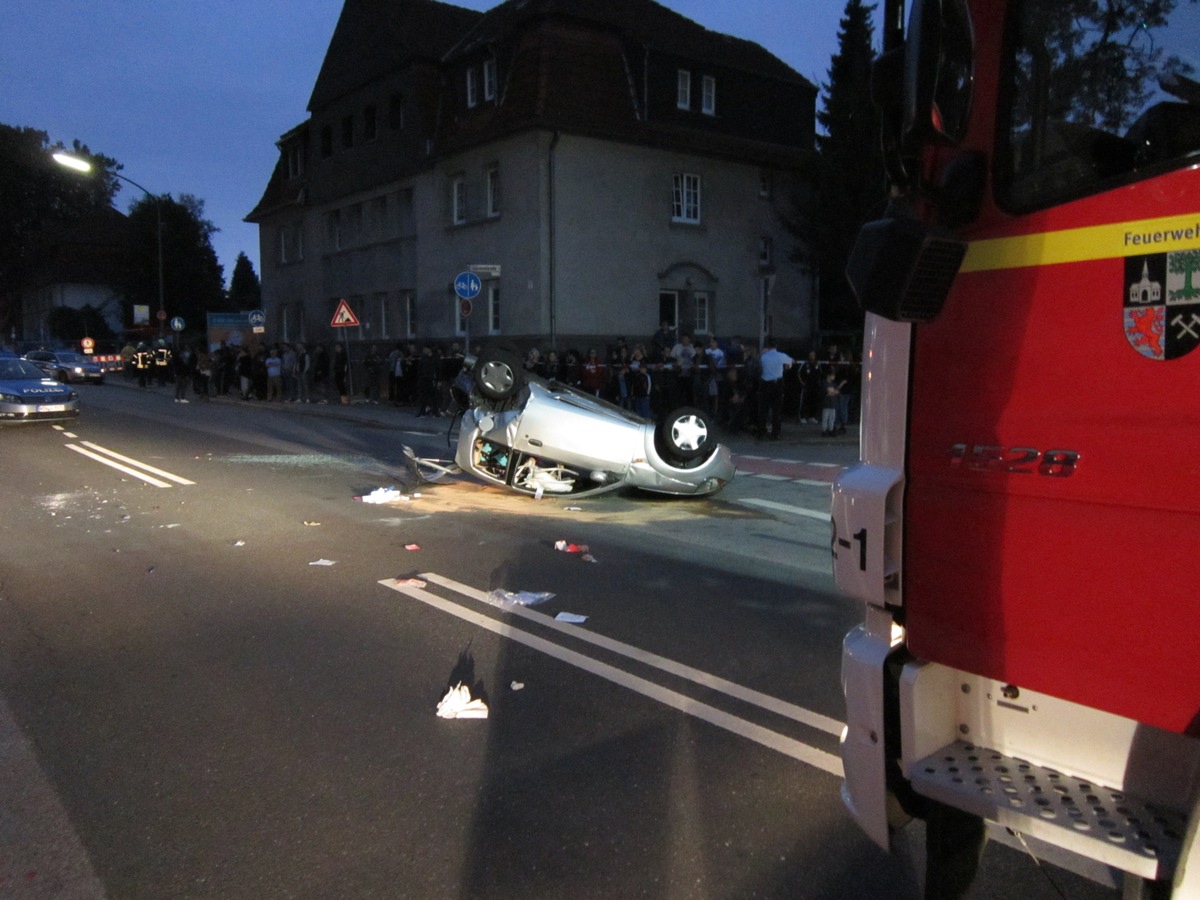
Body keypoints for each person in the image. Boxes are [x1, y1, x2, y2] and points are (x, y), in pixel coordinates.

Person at [757, 336, 794, 440]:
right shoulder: (781, 356)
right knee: (776, 410)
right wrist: (787, 366)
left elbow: (759, 365)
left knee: (763, 409)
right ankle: (775, 433)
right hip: (777, 384)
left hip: (765, 384)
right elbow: (791, 361)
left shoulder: (763, 356)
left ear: (767, 346)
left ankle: (761, 432)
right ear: (776, 345)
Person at [821, 369, 841, 437]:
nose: (833, 377)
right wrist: (833, 392)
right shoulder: (824, 383)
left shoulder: (833, 384)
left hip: (833, 403)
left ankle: (831, 429)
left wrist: (831, 392)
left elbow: (837, 391)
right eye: (832, 376)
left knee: (832, 417)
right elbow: (827, 392)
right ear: (828, 376)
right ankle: (824, 430)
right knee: (825, 417)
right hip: (826, 403)